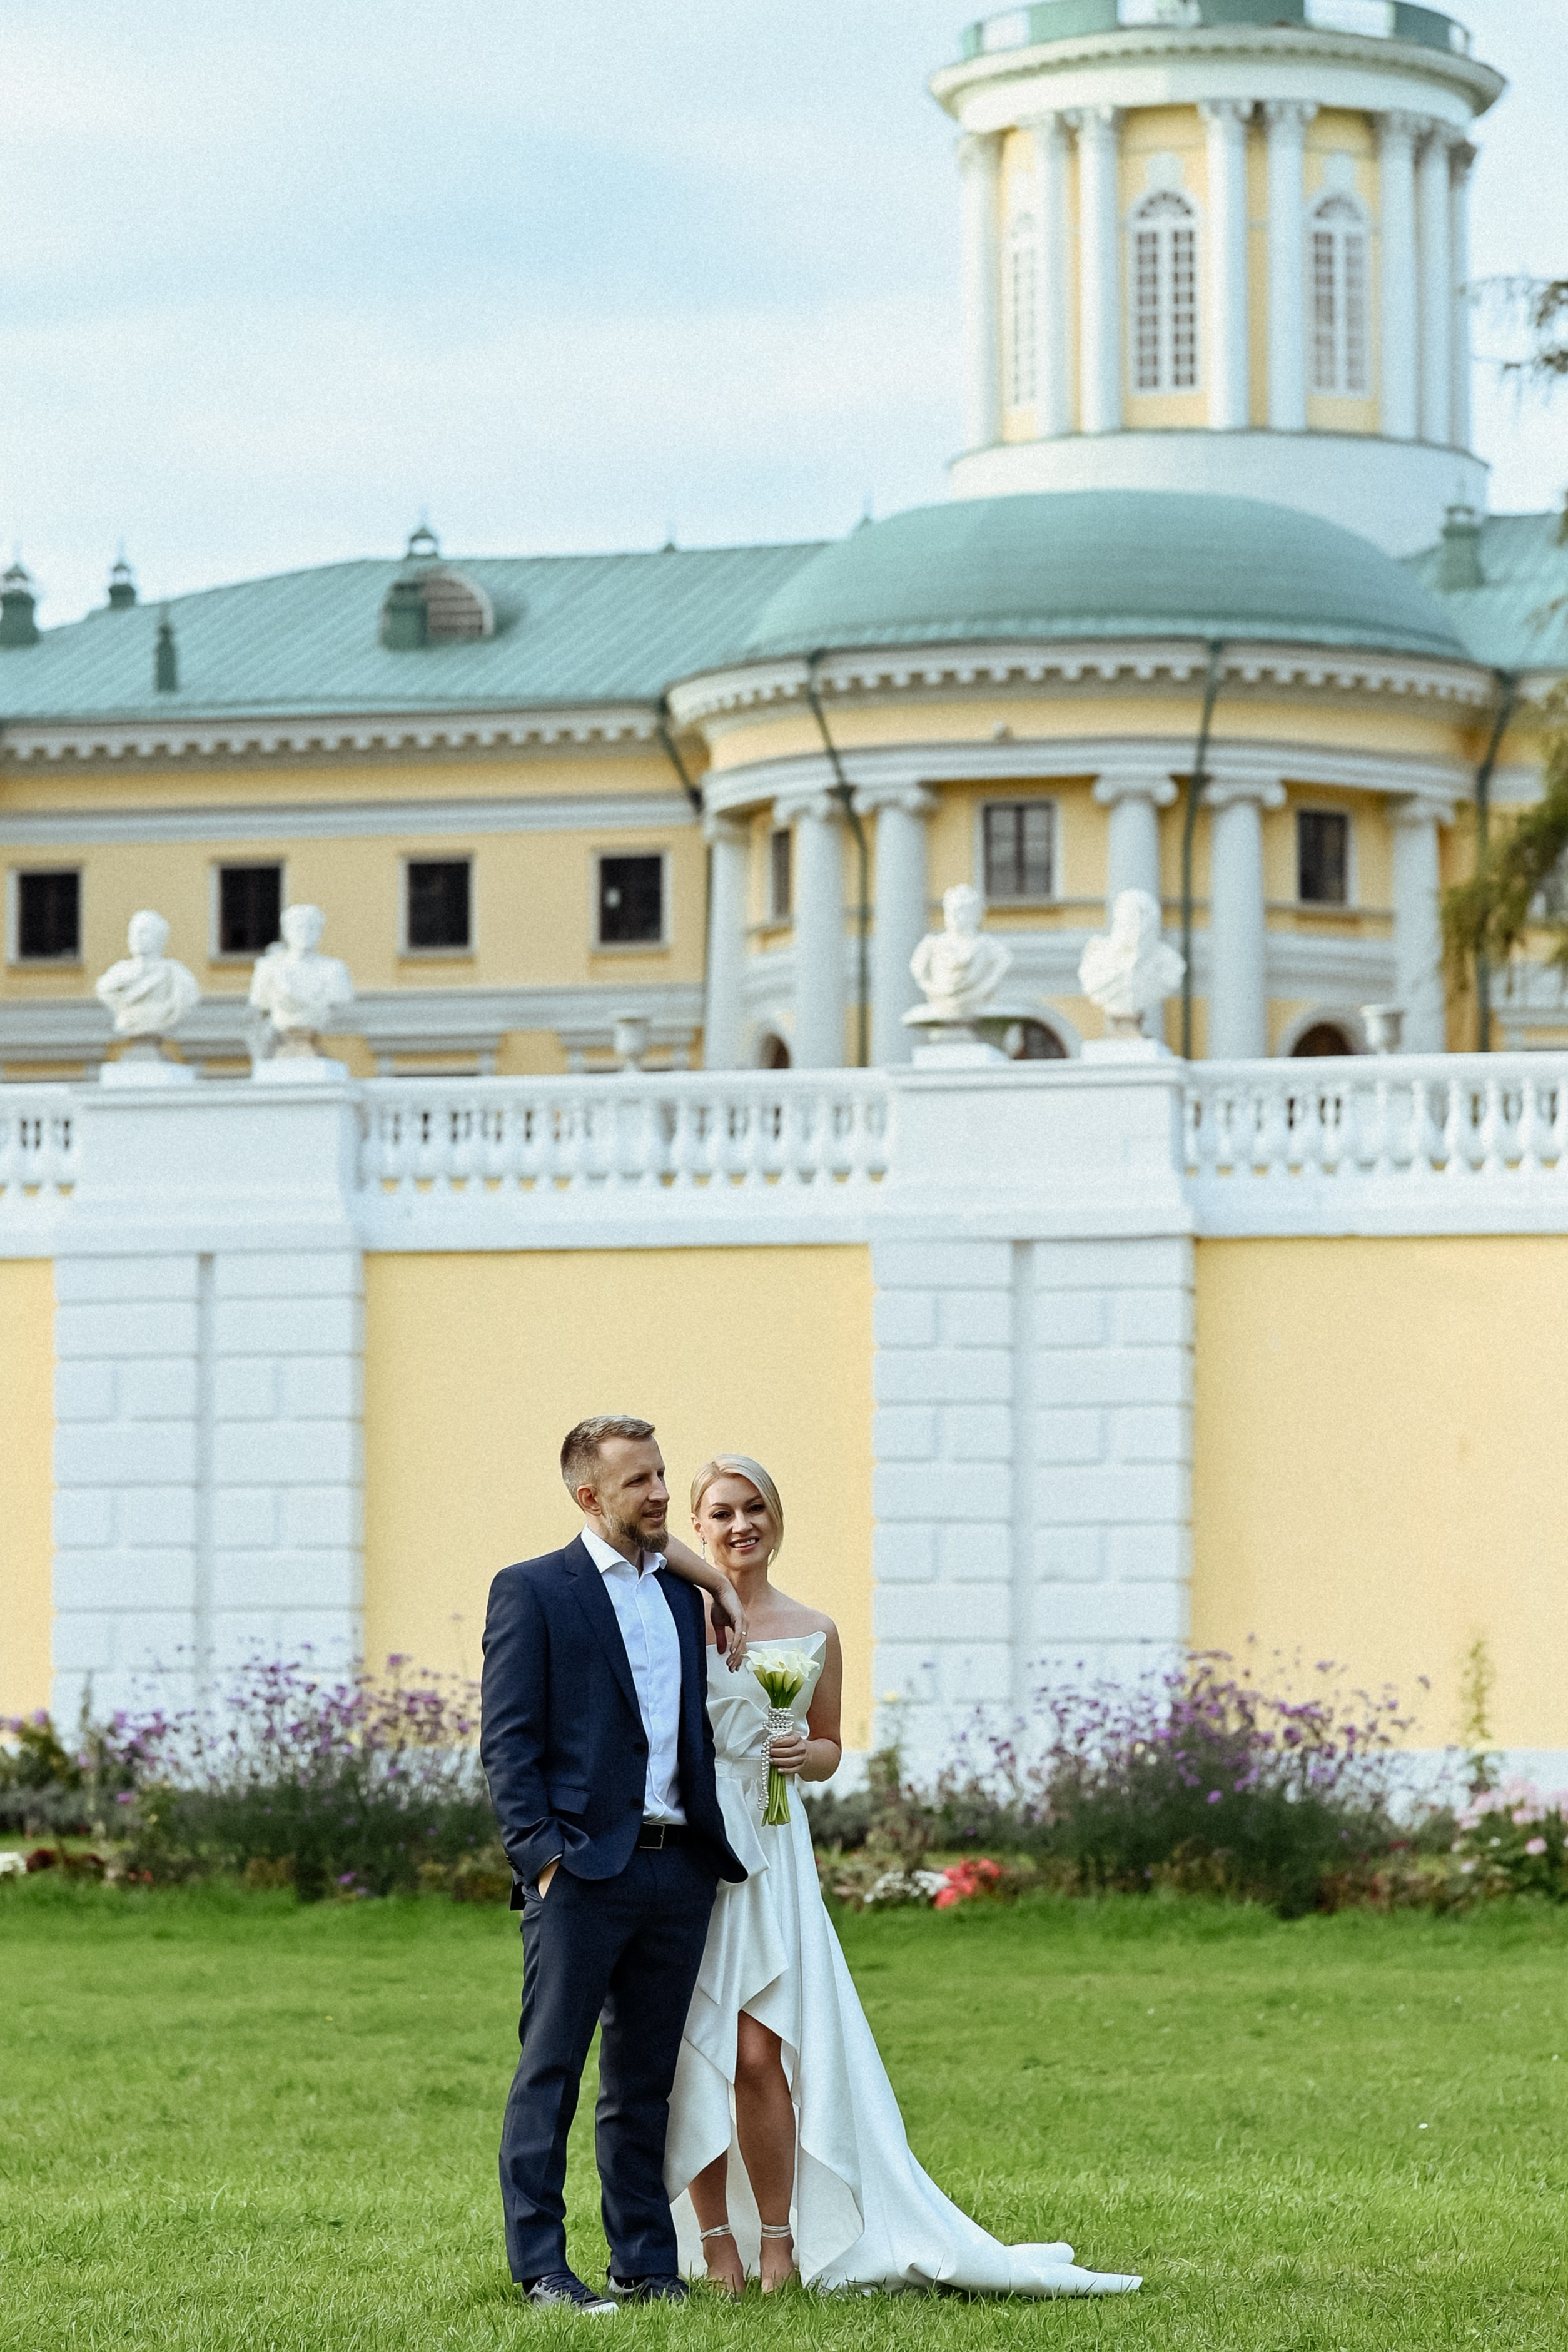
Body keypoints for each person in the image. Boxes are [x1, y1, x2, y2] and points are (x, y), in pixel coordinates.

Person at [660, 1454, 1143, 2300]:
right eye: (723, 1512)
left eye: (755, 1509)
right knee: (696, 2045)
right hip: (696, 1845)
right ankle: (715, 2246)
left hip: (774, 1849)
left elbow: (830, 1747)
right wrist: (706, 1587)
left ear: (776, 1519)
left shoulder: (814, 1627)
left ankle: (780, 2241)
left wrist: (801, 1755)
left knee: (759, 2049)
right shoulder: (670, 1617)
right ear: (697, 1526)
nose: (741, 1526)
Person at [479, 1415, 749, 2314]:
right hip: (580, 1874)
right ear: (590, 1496)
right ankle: (543, 2269)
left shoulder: (679, 1594)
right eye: (640, 1481)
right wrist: (542, 1858)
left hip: (677, 1872)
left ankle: (645, 2265)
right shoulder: (532, 1591)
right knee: (550, 2074)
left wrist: (715, 1582)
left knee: (643, 2085)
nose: (662, 1493)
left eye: (663, 1474)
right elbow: (507, 1743)